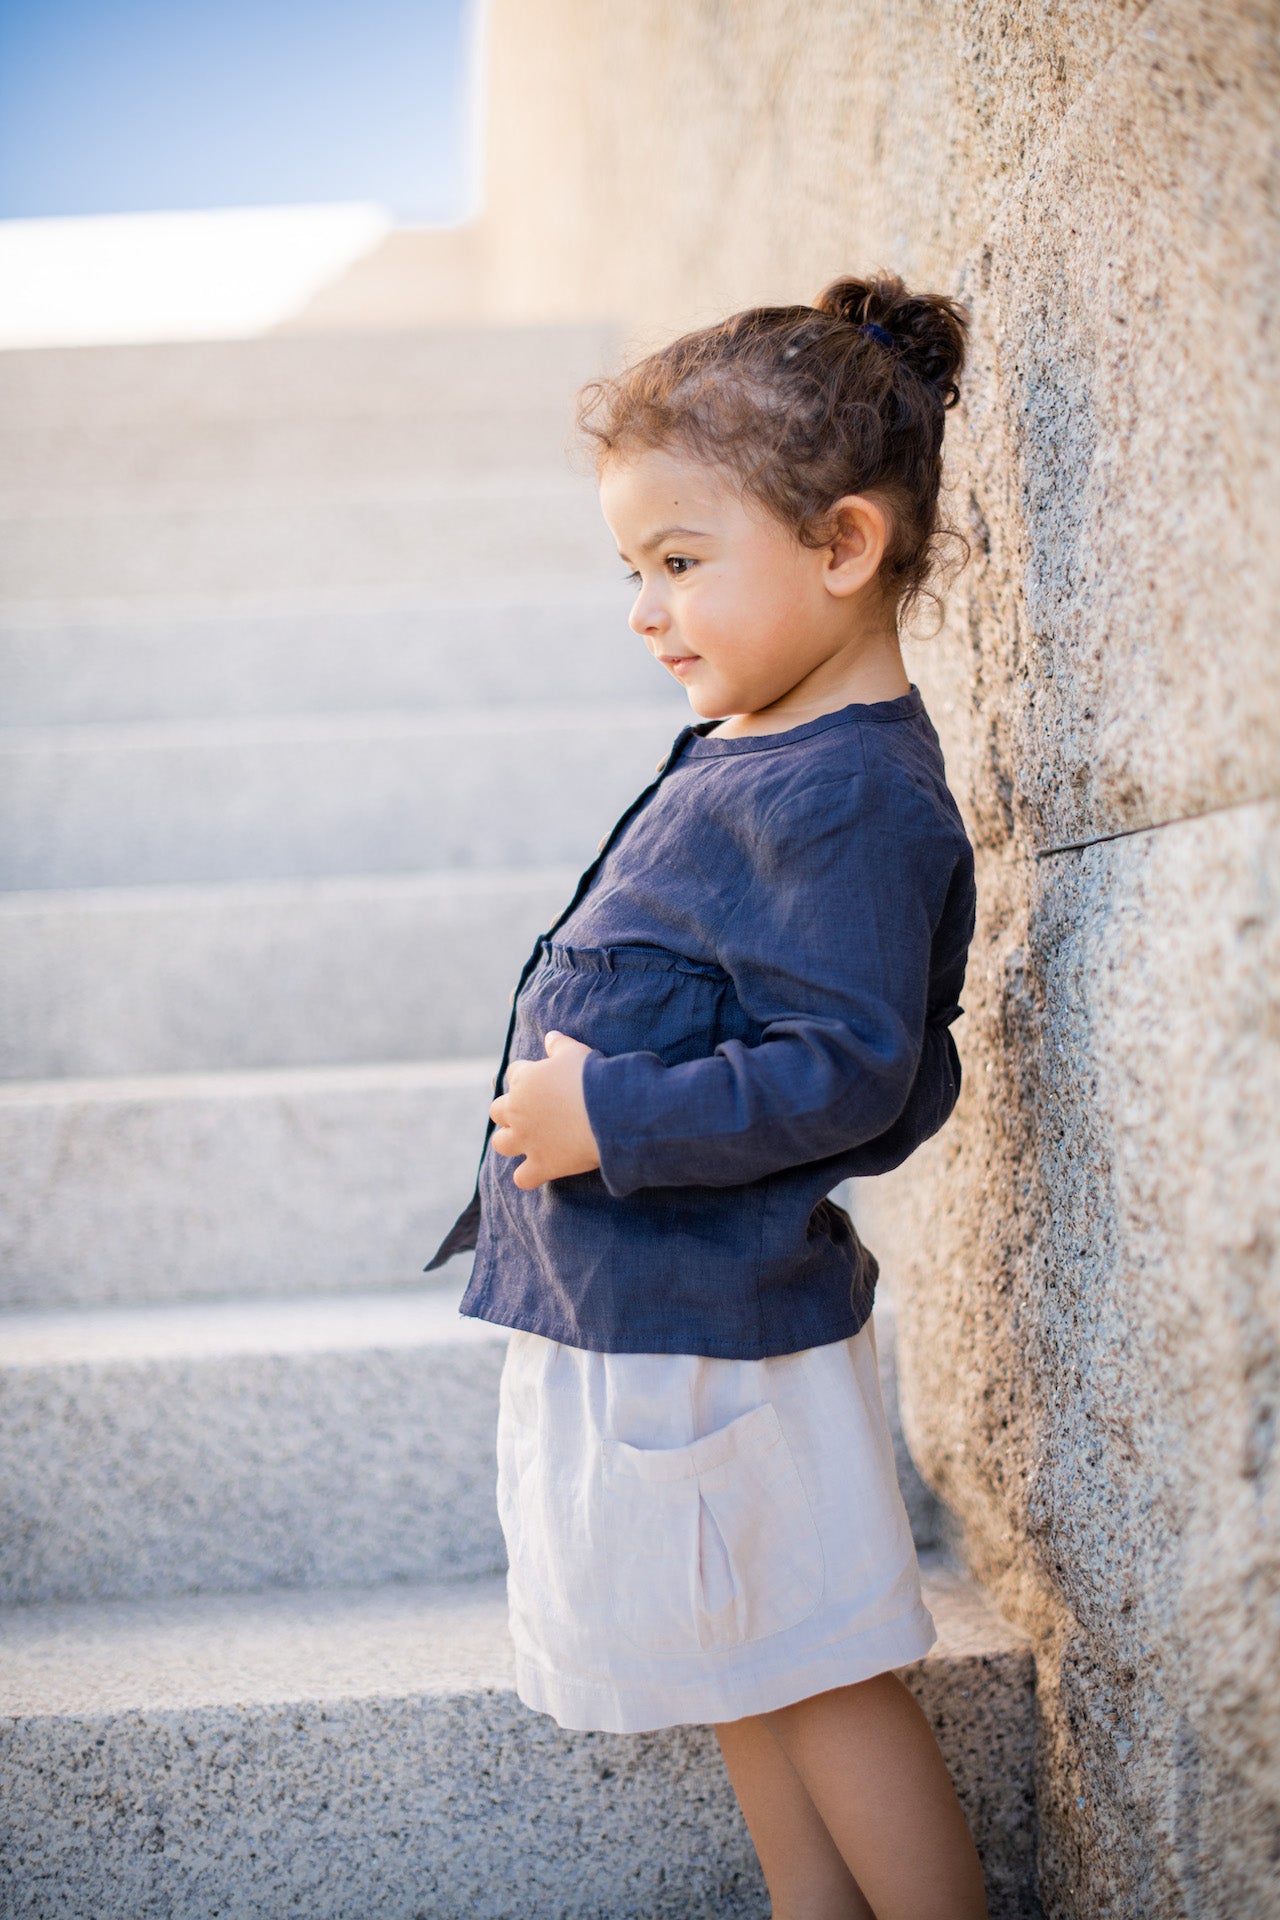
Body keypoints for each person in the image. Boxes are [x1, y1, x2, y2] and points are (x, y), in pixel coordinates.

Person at [426, 271, 986, 1920]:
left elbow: (854, 1066)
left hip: (716, 1329)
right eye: (631, 571)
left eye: (681, 563)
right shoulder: (766, 735)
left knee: (815, 1669)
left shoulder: (852, 794)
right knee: (731, 1667)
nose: (644, 608)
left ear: (843, 548)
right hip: (640, 1314)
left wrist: (615, 1126)